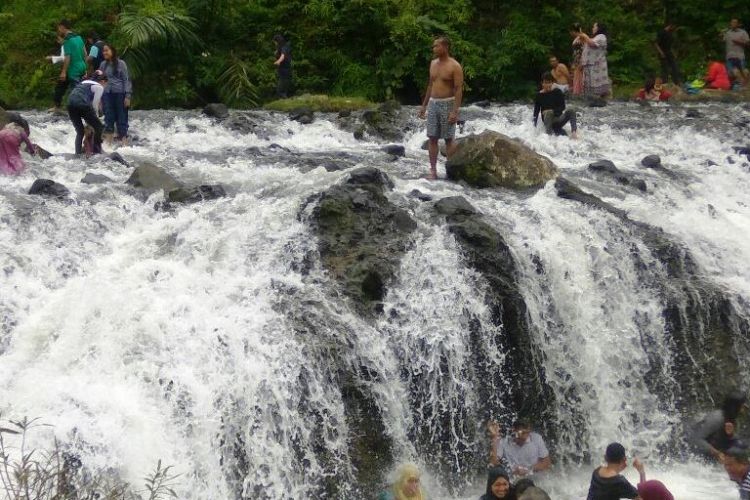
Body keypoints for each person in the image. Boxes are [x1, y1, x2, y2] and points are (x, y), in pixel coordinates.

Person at [418, 36, 463, 180]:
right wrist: (424, 106)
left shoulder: (455, 66)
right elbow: (430, 85)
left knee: (449, 139)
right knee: (432, 138)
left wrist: (455, 111)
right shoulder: (432, 64)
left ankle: (451, 171)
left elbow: (458, 89)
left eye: (436, 46)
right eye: (433, 46)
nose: (434, 49)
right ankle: (433, 171)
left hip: (447, 103)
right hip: (433, 103)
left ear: (445, 47)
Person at [690, 391, 747, 461]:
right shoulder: (717, 418)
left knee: (740, 448)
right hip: (695, 452)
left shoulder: (731, 418)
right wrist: (716, 453)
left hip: (713, 450)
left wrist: (730, 435)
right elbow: (696, 439)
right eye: (742, 405)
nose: (745, 407)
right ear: (735, 407)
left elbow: (737, 442)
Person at [98, 43, 132, 144]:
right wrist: (99, 99)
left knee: (122, 118)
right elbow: (100, 81)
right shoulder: (103, 65)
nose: (104, 53)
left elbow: (126, 80)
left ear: (112, 51)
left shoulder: (121, 64)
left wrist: (128, 96)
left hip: (120, 94)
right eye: (103, 51)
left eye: (106, 50)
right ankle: (108, 145)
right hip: (107, 94)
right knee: (108, 118)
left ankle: (124, 144)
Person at [67, 70, 106, 155]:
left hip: (70, 104)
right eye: (106, 84)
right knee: (99, 127)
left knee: (80, 131)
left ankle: (77, 154)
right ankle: (96, 151)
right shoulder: (99, 87)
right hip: (82, 104)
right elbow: (95, 104)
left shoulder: (84, 82)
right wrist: (96, 118)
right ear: (103, 81)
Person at [533, 72, 579, 139]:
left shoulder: (557, 92)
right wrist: (534, 127)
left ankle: (574, 133)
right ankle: (548, 136)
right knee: (549, 113)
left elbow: (562, 107)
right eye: (545, 83)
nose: (547, 85)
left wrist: (552, 111)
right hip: (548, 121)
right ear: (542, 83)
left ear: (552, 83)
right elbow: (536, 113)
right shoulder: (539, 95)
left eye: (549, 82)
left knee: (571, 110)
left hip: (558, 119)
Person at [576, 22, 610, 99]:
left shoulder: (602, 36)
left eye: (594, 26)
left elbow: (592, 44)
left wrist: (584, 35)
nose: (592, 28)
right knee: (589, 87)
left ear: (599, 28)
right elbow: (586, 44)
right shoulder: (595, 37)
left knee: (596, 88)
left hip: (596, 66)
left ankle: (597, 99)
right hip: (589, 65)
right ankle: (590, 99)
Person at [57, 20, 87, 100]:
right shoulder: (79, 37)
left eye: (59, 29)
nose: (59, 31)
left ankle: (79, 110)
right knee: (81, 91)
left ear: (62, 27)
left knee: (75, 94)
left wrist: (63, 72)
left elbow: (68, 57)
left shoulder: (67, 41)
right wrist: (86, 67)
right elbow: (85, 54)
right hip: (82, 67)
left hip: (74, 70)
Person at [724, 19, 750, 86]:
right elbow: (722, 40)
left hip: (739, 55)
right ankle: (737, 86)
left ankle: (746, 85)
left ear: (738, 24)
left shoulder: (743, 32)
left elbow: (748, 43)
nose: (733, 24)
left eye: (735, 23)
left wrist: (740, 42)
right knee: (730, 73)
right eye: (732, 22)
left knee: (743, 71)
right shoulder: (727, 33)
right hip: (730, 56)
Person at [273, 34, 293, 99]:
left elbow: (283, 56)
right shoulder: (282, 47)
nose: (275, 44)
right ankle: (283, 95)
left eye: (275, 42)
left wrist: (278, 61)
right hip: (283, 68)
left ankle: (282, 95)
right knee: (284, 81)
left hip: (285, 68)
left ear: (278, 41)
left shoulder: (284, 47)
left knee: (283, 82)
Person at [570, 23, 585, 96]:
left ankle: (579, 93)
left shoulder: (581, 37)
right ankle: (577, 93)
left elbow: (583, 50)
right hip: (576, 60)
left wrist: (579, 30)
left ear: (573, 31)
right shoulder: (577, 38)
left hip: (580, 60)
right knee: (576, 78)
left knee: (580, 78)